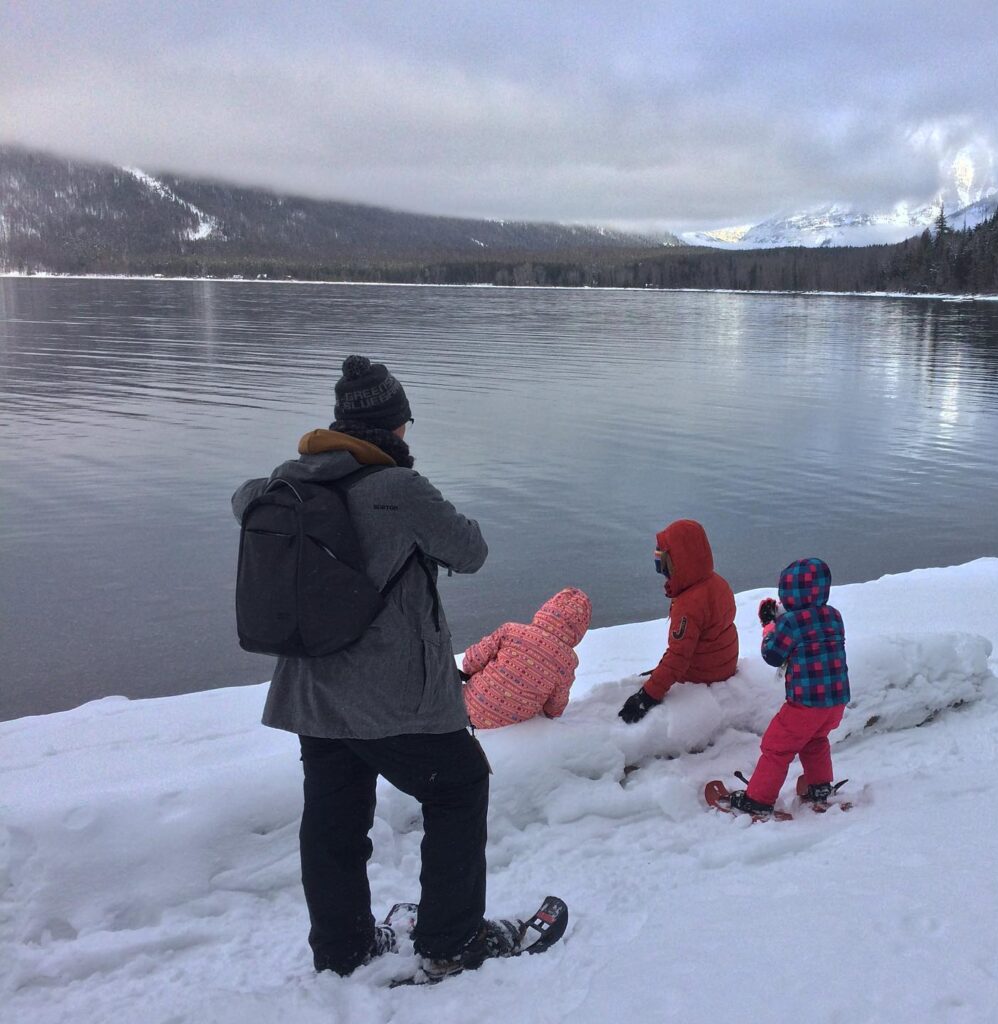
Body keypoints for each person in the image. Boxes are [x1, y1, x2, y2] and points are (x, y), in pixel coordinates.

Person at [232, 354, 519, 981]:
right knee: (460, 787)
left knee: (333, 821)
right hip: (394, 698)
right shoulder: (398, 489)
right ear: (395, 428)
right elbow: (470, 550)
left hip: (312, 695)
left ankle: (342, 949)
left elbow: (243, 500)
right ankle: (450, 941)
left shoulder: (288, 480)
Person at [728, 557, 851, 815]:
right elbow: (813, 634)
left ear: (787, 591)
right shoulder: (834, 616)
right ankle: (819, 787)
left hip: (805, 704)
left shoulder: (791, 622)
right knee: (815, 740)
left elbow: (772, 655)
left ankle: (758, 800)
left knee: (777, 746)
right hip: (836, 703)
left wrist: (769, 626)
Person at [618, 518, 738, 724]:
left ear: (679, 561)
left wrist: (647, 695)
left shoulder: (689, 604)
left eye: (662, 559)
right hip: (723, 663)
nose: (660, 568)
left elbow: (679, 656)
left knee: (671, 661)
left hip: (705, 675)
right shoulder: (716, 582)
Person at [461, 588, 592, 729]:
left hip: (468, 706)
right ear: (580, 631)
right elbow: (555, 707)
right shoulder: (567, 662)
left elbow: (472, 661)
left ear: (546, 610)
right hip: (513, 723)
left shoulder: (511, 631)